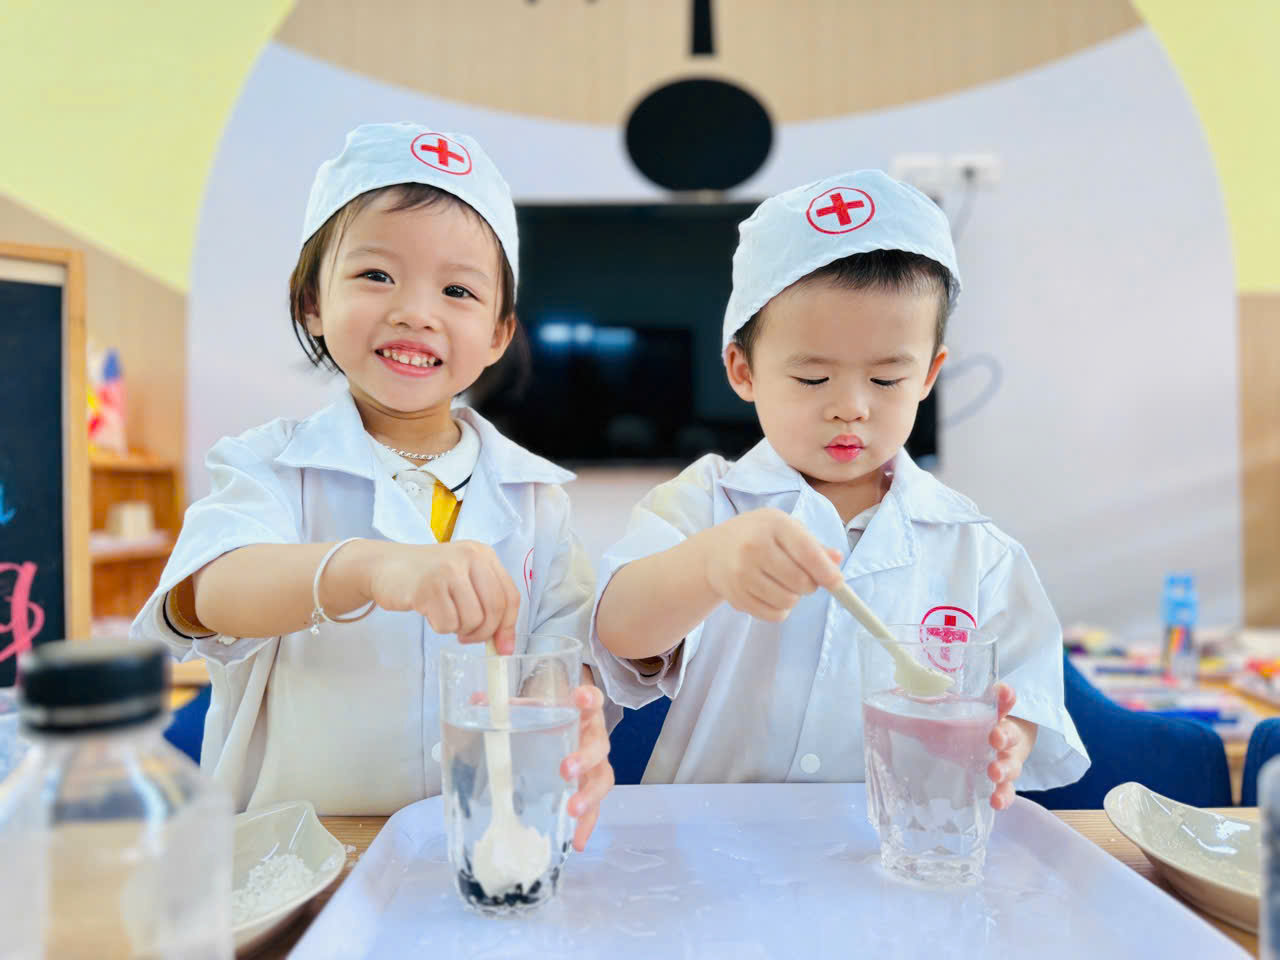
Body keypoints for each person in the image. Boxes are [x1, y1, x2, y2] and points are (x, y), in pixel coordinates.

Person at [132, 123, 615, 850]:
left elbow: (561, 658)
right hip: (298, 860)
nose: (415, 311)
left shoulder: (538, 502)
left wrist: (563, 723)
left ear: (497, 334)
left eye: (457, 289)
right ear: (312, 302)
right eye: (376, 276)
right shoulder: (268, 467)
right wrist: (368, 567)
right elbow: (206, 596)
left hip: (479, 850)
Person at [592, 170, 1088, 805]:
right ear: (743, 370)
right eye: (812, 379)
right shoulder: (707, 502)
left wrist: (1008, 738)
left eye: (885, 380)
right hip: (707, 845)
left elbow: (1026, 694)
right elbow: (621, 634)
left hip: (886, 848)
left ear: (929, 374)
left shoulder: (975, 549)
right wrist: (710, 565)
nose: (851, 407)